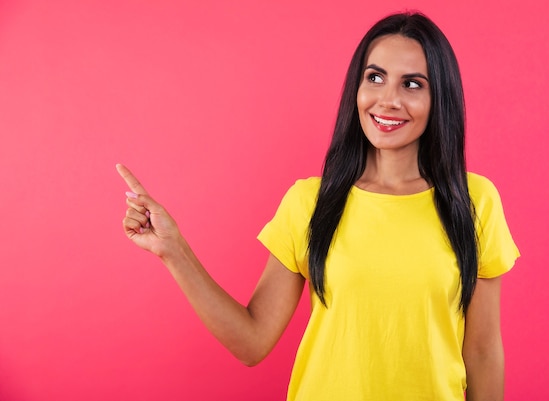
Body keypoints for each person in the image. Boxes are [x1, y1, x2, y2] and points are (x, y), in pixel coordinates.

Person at [117, 11, 519, 401]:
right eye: (375, 77)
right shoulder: (311, 201)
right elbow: (251, 341)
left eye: (412, 84)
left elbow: (482, 354)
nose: (388, 99)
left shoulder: (473, 202)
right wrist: (173, 251)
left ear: (439, 98)